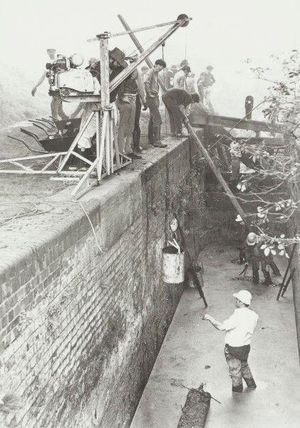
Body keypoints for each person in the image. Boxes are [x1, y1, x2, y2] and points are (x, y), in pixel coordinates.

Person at [203, 289, 258, 393]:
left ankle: (237, 394)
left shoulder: (237, 316)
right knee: (244, 365)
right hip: (245, 347)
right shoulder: (254, 315)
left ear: (241, 302)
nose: (235, 301)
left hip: (233, 348)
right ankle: (251, 385)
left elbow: (221, 327)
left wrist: (209, 318)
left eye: (237, 299)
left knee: (235, 372)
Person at [31, 48, 68, 120]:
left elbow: (66, 71)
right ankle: (67, 122)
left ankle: (55, 126)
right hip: (53, 88)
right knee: (59, 111)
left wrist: (60, 70)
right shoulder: (48, 63)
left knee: (54, 107)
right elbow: (43, 77)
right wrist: (35, 86)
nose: (51, 52)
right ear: (47, 52)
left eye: (52, 51)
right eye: (49, 51)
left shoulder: (60, 60)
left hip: (60, 88)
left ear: (55, 51)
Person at [116, 69, 146, 159]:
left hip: (132, 101)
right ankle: (120, 152)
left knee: (131, 127)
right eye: (131, 72)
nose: (133, 74)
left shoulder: (134, 82)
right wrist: (122, 97)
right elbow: (119, 92)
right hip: (125, 102)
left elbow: (139, 91)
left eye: (135, 72)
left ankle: (128, 150)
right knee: (123, 127)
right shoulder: (122, 80)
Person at [144, 59, 167, 148]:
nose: (160, 69)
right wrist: (149, 93)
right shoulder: (151, 72)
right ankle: (157, 141)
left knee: (153, 118)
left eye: (162, 68)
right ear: (156, 65)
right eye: (160, 67)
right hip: (152, 97)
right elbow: (146, 82)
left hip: (155, 97)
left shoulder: (156, 73)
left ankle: (151, 140)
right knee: (157, 119)